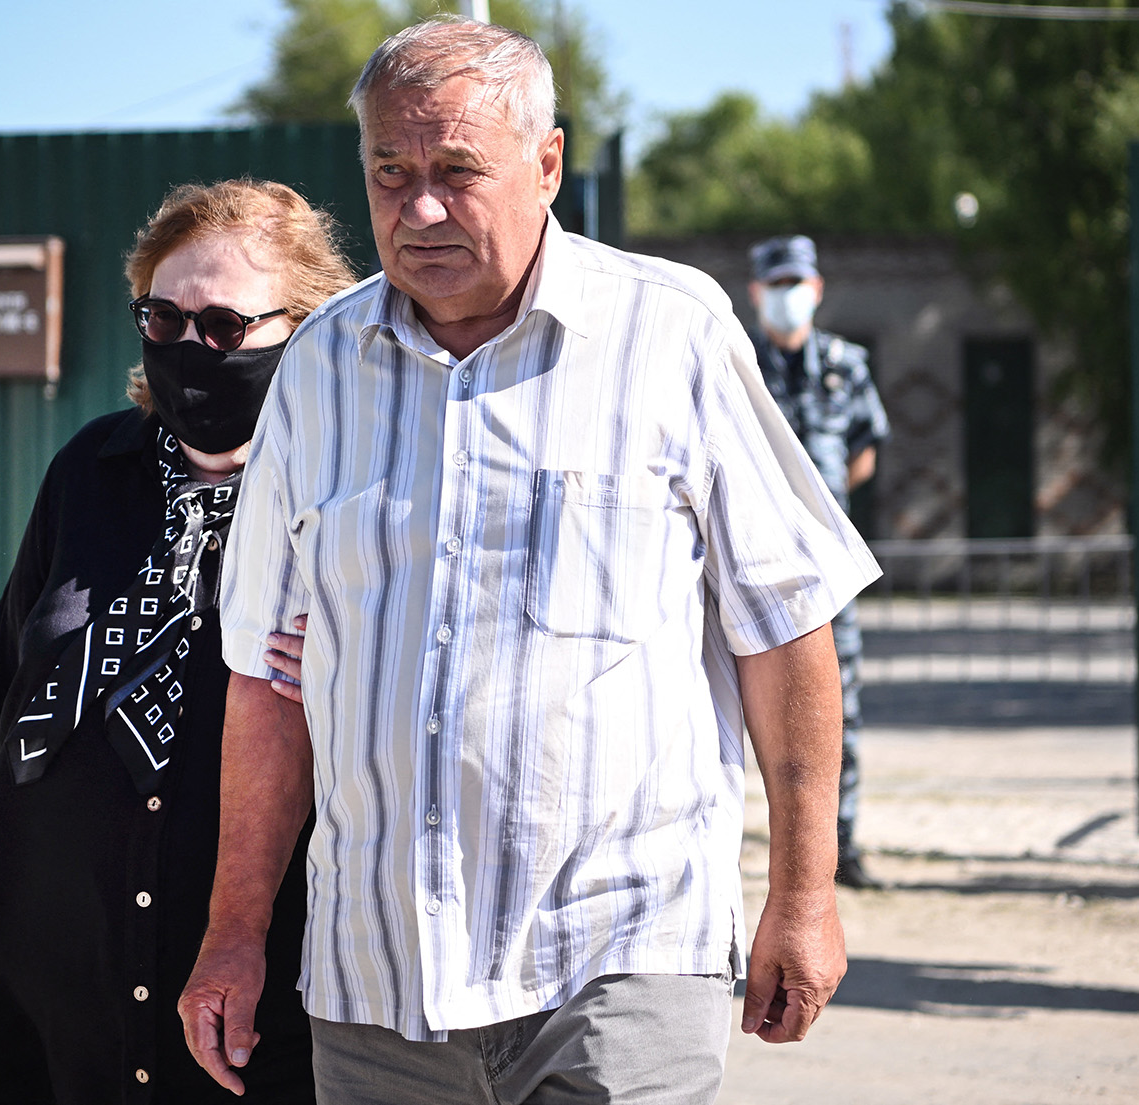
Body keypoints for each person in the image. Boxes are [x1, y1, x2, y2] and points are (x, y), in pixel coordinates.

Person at [179, 18, 882, 1105]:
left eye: (457, 171)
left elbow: (786, 626)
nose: (418, 210)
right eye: (389, 173)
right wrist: (233, 931)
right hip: (378, 989)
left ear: (546, 165)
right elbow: (267, 681)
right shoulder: (318, 370)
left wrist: (805, 895)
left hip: (619, 959)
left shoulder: (672, 335)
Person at [0, 178, 356, 1105]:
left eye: (224, 325)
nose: (189, 346)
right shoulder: (90, 468)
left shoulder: (347, 499)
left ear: (305, 328)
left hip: (252, 1016)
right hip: (54, 1000)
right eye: (161, 319)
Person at [746, 234, 891, 891]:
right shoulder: (735, 361)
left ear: (817, 287)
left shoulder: (844, 363)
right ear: (755, 292)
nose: (786, 296)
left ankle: (840, 843)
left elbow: (863, 450)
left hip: (825, 570)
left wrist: (820, 513)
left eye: (796, 283)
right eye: (774, 284)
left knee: (839, 703)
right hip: (750, 561)